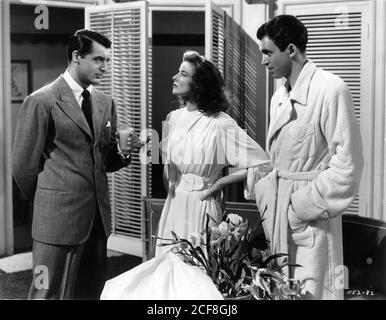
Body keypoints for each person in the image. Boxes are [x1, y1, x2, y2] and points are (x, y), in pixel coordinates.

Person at [100, 51, 271, 299]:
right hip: (175, 204)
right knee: (167, 277)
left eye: (183, 73)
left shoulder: (220, 123)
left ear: (199, 84)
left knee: (196, 276)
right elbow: (169, 173)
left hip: (202, 203)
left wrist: (221, 181)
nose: (174, 76)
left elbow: (262, 162)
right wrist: (156, 159)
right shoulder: (174, 118)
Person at [12, 29, 140, 300]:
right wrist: (50, 202)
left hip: (96, 222)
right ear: (76, 57)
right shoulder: (41, 101)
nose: (105, 67)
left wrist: (124, 152)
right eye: (98, 60)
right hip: (55, 223)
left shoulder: (105, 103)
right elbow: (23, 167)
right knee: (44, 292)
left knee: (90, 293)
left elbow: (104, 161)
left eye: (107, 60)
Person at [252, 15, 364, 299]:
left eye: (268, 52)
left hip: (310, 218)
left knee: (313, 291)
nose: (263, 60)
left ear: (290, 50)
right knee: (281, 290)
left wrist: (300, 207)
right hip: (280, 213)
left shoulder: (331, 89)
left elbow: (348, 167)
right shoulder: (280, 96)